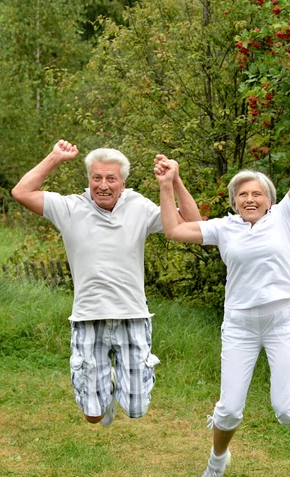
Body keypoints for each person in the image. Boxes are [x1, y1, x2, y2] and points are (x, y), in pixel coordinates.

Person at [154, 86, 290, 477]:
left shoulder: (285, 216)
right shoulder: (225, 227)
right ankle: (216, 463)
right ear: (234, 202)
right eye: (242, 194)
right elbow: (176, 229)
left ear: (269, 200)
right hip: (240, 324)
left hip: (283, 319)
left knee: (285, 407)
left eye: (257, 193)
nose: (250, 198)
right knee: (228, 409)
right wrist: (169, 183)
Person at [12, 141, 201, 426]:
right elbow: (21, 192)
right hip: (88, 317)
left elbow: (193, 223)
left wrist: (173, 181)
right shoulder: (69, 207)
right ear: (88, 179)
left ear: (122, 183)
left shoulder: (139, 206)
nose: (103, 185)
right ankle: (104, 391)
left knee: (137, 409)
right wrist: (55, 157)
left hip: (132, 317)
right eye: (96, 177)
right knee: (93, 416)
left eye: (111, 178)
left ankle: (112, 382)